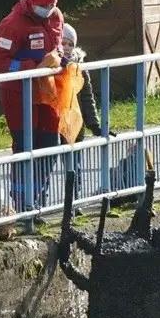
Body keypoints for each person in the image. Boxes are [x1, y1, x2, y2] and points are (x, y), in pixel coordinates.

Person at [0, 0, 64, 220]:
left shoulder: (56, 17)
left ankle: (39, 199)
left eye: (52, 3)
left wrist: (63, 60)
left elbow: (59, 47)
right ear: (30, 0)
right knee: (26, 146)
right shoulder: (12, 24)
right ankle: (23, 204)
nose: (48, 9)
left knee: (50, 144)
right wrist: (33, 66)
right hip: (19, 94)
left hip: (48, 92)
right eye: (43, 4)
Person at [59, 23, 108, 216]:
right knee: (47, 163)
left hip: (75, 124)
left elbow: (87, 98)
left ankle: (74, 202)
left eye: (69, 44)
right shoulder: (52, 66)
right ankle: (41, 205)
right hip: (55, 123)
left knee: (74, 166)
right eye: (62, 42)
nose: (66, 47)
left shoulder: (79, 68)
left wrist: (94, 124)